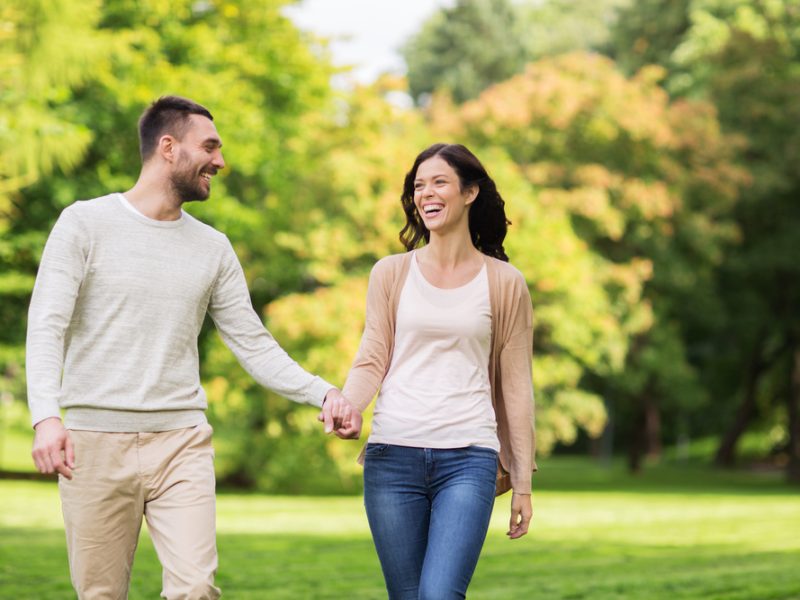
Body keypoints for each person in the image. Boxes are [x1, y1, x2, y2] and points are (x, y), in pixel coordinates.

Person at [26, 95, 356, 600]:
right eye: (210, 147)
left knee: (196, 588)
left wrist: (324, 392)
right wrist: (46, 416)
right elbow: (47, 325)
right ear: (168, 147)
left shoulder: (213, 247)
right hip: (94, 442)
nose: (220, 162)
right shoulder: (84, 224)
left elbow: (253, 344)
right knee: (100, 593)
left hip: (180, 442)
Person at [341, 143, 536, 599]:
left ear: (469, 192)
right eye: (418, 185)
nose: (426, 193)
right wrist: (348, 405)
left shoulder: (505, 283)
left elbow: (517, 386)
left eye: (439, 182)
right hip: (393, 457)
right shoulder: (389, 273)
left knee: (440, 594)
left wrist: (522, 482)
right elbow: (373, 355)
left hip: (468, 457)